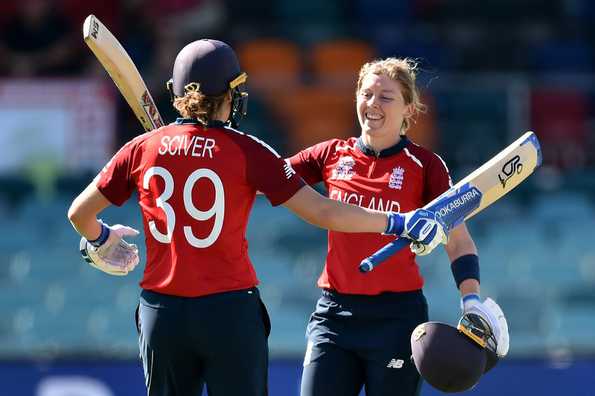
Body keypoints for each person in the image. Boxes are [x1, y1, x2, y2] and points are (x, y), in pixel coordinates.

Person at [67, 40, 446, 396]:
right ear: (230, 93)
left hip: (161, 312)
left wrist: (100, 240)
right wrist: (398, 222)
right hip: (229, 310)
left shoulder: (141, 148)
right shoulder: (248, 151)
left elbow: (79, 213)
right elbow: (322, 210)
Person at [287, 57, 509, 396]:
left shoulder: (426, 166)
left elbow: (458, 241)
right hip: (333, 314)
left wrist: (471, 299)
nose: (373, 104)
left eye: (386, 97)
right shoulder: (330, 154)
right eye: (366, 94)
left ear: (409, 108)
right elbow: (267, 180)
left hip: (397, 319)